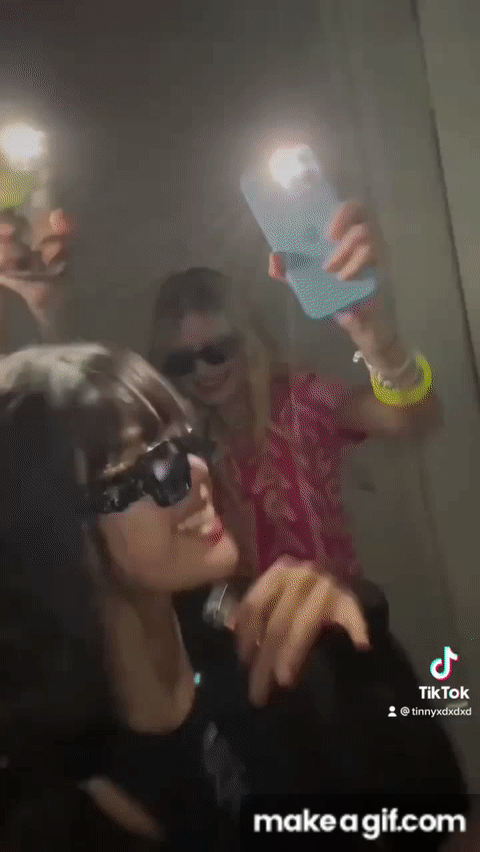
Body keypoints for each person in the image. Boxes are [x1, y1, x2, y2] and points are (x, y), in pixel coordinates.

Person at [0, 342, 382, 849]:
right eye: (148, 466)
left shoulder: (255, 647)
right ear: (53, 533)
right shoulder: (47, 812)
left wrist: (350, 654)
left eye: (183, 443)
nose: (199, 471)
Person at [148, 200, 443, 704]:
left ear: (247, 340)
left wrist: (373, 335)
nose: (203, 372)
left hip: (343, 642)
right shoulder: (180, 448)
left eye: (217, 351)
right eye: (182, 361)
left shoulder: (300, 402)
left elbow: (413, 417)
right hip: (247, 661)